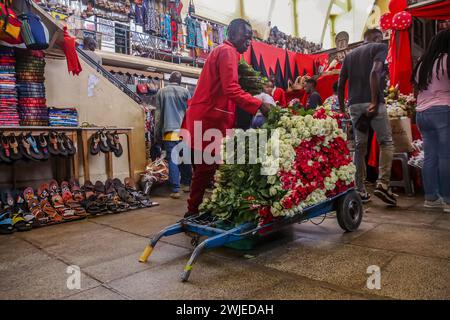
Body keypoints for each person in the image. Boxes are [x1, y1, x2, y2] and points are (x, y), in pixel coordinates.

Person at [183, 19, 272, 217]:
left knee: (208, 167)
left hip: (208, 115)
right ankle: (192, 211)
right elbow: (231, 88)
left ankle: (203, 207)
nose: (249, 42)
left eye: (251, 39)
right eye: (246, 37)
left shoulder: (223, 52)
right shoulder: (227, 52)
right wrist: (260, 105)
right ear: (232, 35)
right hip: (210, 117)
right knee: (206, 167)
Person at [338, 28, 396, 206]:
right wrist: (373, 100)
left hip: (355, 105)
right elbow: (374, 72)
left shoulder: (349, 56)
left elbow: (340, 84)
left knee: (359, 146)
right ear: (377, 38)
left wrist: (342, 108)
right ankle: (383, 184)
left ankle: (360, 189)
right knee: (386, 142)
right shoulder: (379, 47)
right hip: (374, 103)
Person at [412, 29, 450, 212]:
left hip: (422, 113)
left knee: (430, 156)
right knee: (445, 156)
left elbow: (416, 91)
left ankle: (431, 197)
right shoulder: (446, 60)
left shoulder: (422, 63)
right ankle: (448, 200)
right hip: (443, 111)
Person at [155, 71, 192, 199]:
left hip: (169, 133)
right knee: (185, 158)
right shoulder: (185, 92)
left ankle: (176, 189)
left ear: (169, 79)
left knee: (173, 160)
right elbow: (190, 112)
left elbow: (158, 116)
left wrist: (157, 134)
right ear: (180, 80)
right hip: (184, 131)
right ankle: (187, 185)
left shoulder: (161, 92)